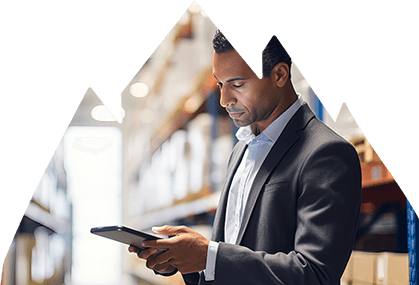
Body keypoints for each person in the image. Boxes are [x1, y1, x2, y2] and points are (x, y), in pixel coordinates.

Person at [129, 30, 362, 285]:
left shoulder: (326, 154)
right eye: (220, 83)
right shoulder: (241, 149)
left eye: (237, 84)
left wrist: (208, 256)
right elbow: (230, 260)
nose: (224, 99)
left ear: (280, 75)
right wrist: (183, 259)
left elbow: (315, 275)